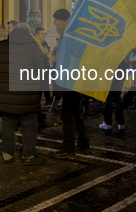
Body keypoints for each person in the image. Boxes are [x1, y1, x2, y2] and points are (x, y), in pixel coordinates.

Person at [0, 24, 46, 165]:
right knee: (28, 125)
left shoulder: (1, 46)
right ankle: (28, 155)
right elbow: (44, 69)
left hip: (5, 95)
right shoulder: (33, 47)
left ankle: (7, 153)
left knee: (8, 123)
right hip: (27, 94)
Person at [51, 8, 91, 159]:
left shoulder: (69, 35)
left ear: (63, 20)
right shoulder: (69, 34)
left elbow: (71, 57)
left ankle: (69, 149)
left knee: (66, 115)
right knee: (75, 113)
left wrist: (56, 60)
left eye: (56, 19)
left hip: (71, 80)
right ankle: (83, 144)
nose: (54, 22)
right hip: (71, 79)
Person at [99, 55, 129, 132]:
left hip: (109, 72)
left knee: (108, 97)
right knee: (117, 97)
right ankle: (121, 122)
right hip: (120, 72)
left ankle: (108, 122)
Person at [33, 26, 52, 104]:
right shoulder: (34, 44)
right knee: (39, 84)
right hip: (38, 67)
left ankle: (48, 98)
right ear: (36, 35)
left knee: (45, 82)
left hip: (45, 66)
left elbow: (46, 52)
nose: (43, 35)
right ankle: (38, 100)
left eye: (44, 34)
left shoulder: (44, 43)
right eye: (41, 34)